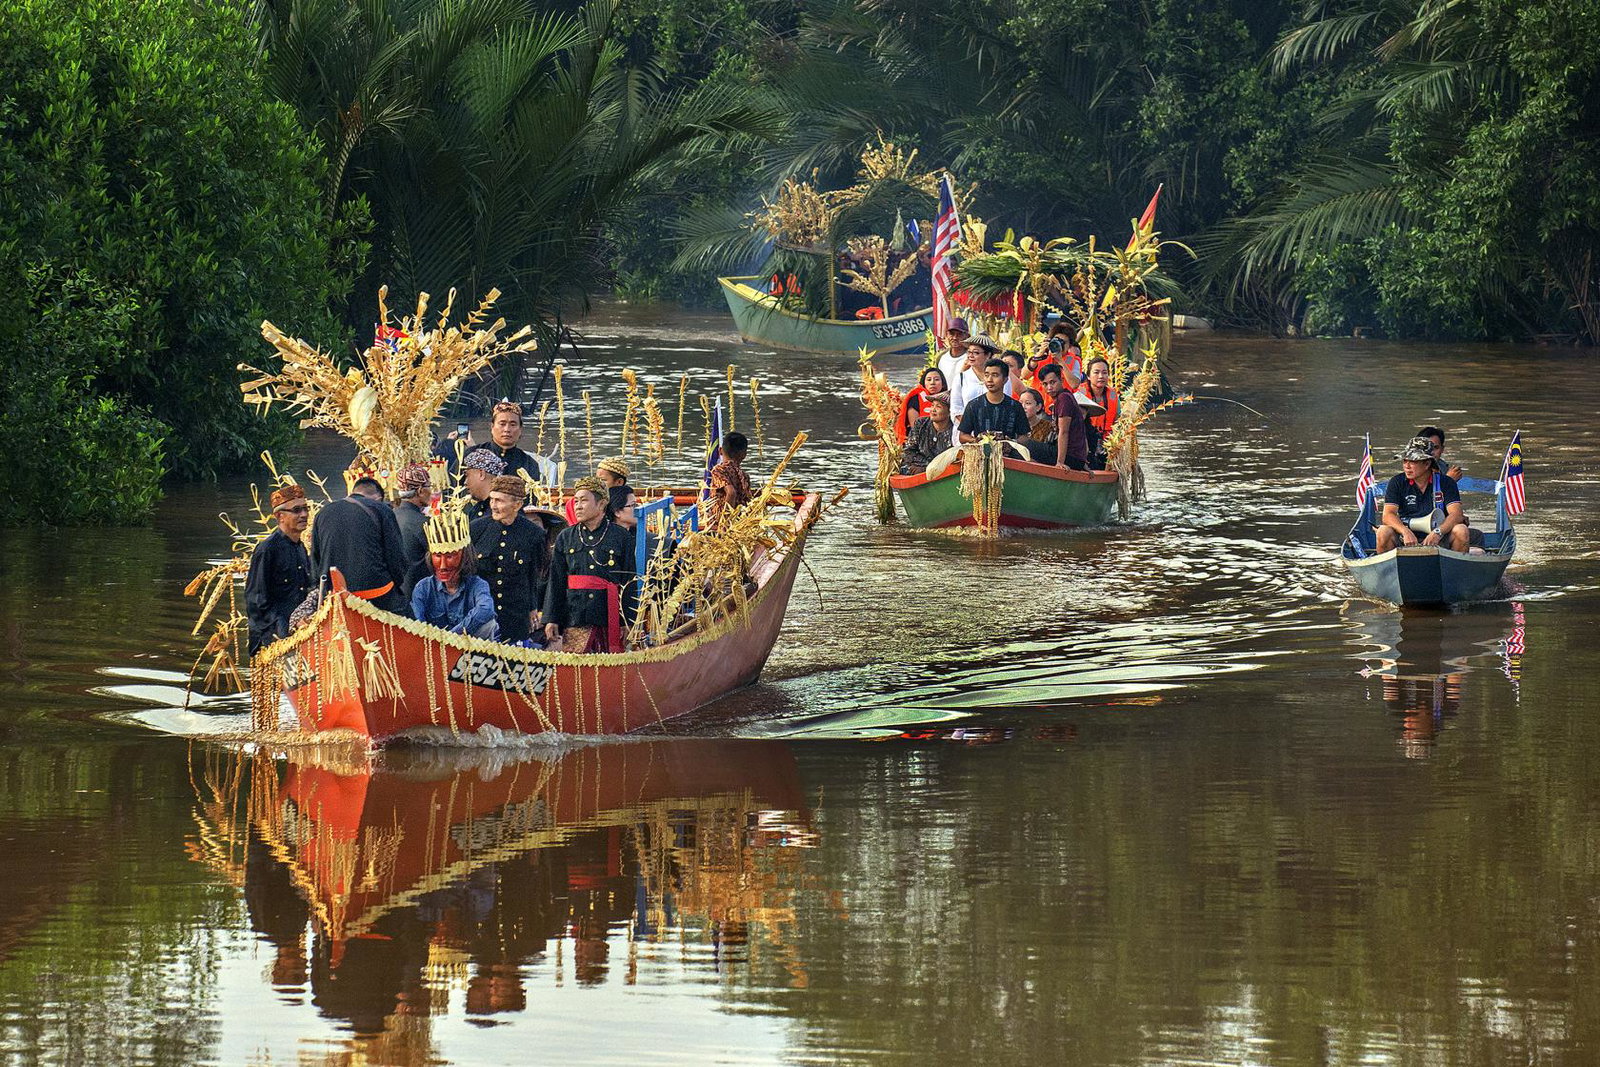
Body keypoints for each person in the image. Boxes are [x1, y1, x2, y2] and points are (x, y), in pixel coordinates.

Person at [543, 477, 638, 653]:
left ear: (602, 504)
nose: (578, 506)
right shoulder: (565, 537)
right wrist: (551, 618)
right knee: (577, 670)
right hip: (575, 614)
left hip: (608, 614)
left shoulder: (620, 536)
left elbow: (629, 580)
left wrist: (628, 620)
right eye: (576, 501)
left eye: (584, 500)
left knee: (610, 667)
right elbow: (556, 580)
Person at [308, 476, 412, 616]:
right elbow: (397, 559)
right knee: (415, 627)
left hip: (336, 598)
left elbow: (315, 561)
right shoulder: (381, 509)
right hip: (377, 594)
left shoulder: (322, 513)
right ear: (378, 497)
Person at [469, 475, 547, 642]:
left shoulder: (534, 534)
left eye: (500, 501)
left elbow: (534, 575)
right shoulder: (476, 529)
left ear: (517, 505)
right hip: (482, 613)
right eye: (492, 500)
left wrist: (533, 607)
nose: (494, 506)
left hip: (515, 615)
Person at [245, 484, 313, 654]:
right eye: (297, 510)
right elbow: (255, 601)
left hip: (299, 633)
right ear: (280, 516)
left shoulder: (301, 548)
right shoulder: (267, 549)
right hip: (272, 638)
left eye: (306, 508)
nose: (304, 514)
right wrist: (284, 626)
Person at [410, 509, 498, 638]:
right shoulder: (423, 588)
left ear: (464, 557)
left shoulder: (477, 585)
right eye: (438, 556)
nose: (443, 566)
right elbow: (417, 625)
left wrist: (452, 638)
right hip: (433, 650)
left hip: (469, 654)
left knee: (489, 625)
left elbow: (486, 610)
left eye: (450, 556)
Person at [1375, 437, 1470, 553]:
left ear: (1427, 464)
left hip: (1440, 537)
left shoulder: (1446, 482)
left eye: (1413, 461)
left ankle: (1454, 569)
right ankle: (1388, 570)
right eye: (1405, 461)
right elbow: (1388, 515)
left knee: (1461, 530)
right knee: (1383, 531)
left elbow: (1456, 514)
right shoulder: (1396, 482)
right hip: (1405, 538)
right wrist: (1405, 532)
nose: (1407, 466)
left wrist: (1438, 533)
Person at [958, 358, 1030, 442]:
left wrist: (1012, 442)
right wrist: (978, 441)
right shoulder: (974, 405)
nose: (989, 380)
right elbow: (962, 436)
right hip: (981, 453)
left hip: (1008, 454)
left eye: (995, 375)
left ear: (1005, 379)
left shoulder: (1015, 406)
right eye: (986, 375)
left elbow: (1024, 436)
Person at [392, 463, 433, 598]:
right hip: (416, 595)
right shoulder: (424, 523)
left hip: (394, 593)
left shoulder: (390, 516)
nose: (431, 491)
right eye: (429, 487)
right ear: (420, 491)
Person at [1040, 364, 1090, 471]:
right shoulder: (1064, 397)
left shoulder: (1064, 398)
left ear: (1061, 380)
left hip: (1071, 458)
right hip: (1076, 459)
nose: (1049, 387)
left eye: (1052, 382)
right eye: (1045, 384)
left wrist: (1060, 462)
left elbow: (1064, 431)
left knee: (1025, 444)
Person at [707, 431, 754, 530]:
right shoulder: (745, 476)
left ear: (720, 451)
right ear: (744, 455)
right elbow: (748, 501)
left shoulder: (718, 471)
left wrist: (726, 523)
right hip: (740, 523)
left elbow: (731, 493)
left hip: (721, 524)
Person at [900, 392, 956, 474]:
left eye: (938, 407)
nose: (933, 410)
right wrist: (925, 467)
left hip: (945, 471)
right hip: (918, 467)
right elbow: (909, 451)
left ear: (949, 412)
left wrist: (928, 468)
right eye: (932, 405)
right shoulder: (920, 423)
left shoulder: (955, 429)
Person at [480, 400, 539, 479]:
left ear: (520, 429)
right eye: (502, 424)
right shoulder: (474, 456)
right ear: (492, 427)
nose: (507, 429)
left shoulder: (529, 464)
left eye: (513, 424)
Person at [950, 334, 1001, 419]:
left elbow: (1005, 404)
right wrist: (969, 426)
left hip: (993, 428)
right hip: (965, 429)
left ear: (988, 355)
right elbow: (956, 409)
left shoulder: (1000, 377)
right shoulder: (960, 378)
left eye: (976, 353)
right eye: (969, 352)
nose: (970, 356)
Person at [894, 367, 947, 441]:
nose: (932, 383)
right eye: (929, 380)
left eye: (937, 379)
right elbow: (915, 428)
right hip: (920, 439)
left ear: (943, 384)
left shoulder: (949, 399)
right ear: (924, 383)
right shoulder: (915, 399)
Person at [934, 316, 971, 408]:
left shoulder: (972, 357)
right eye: (952, 334)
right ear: (947, 335)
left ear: (967, 336)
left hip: (965, 403)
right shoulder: (941, 357)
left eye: (959, 334)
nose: (955, 338)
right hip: (944, 404)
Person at [460, 448, 505, 521]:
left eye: (467, 475)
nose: (465, 482)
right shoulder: (476, 509)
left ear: (481, 474)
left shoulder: (502, 510)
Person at [596, 457, 638, 531]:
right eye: (596, 480)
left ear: (619, 482)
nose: (598, 484)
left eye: (603, 480)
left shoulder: (627, 497)